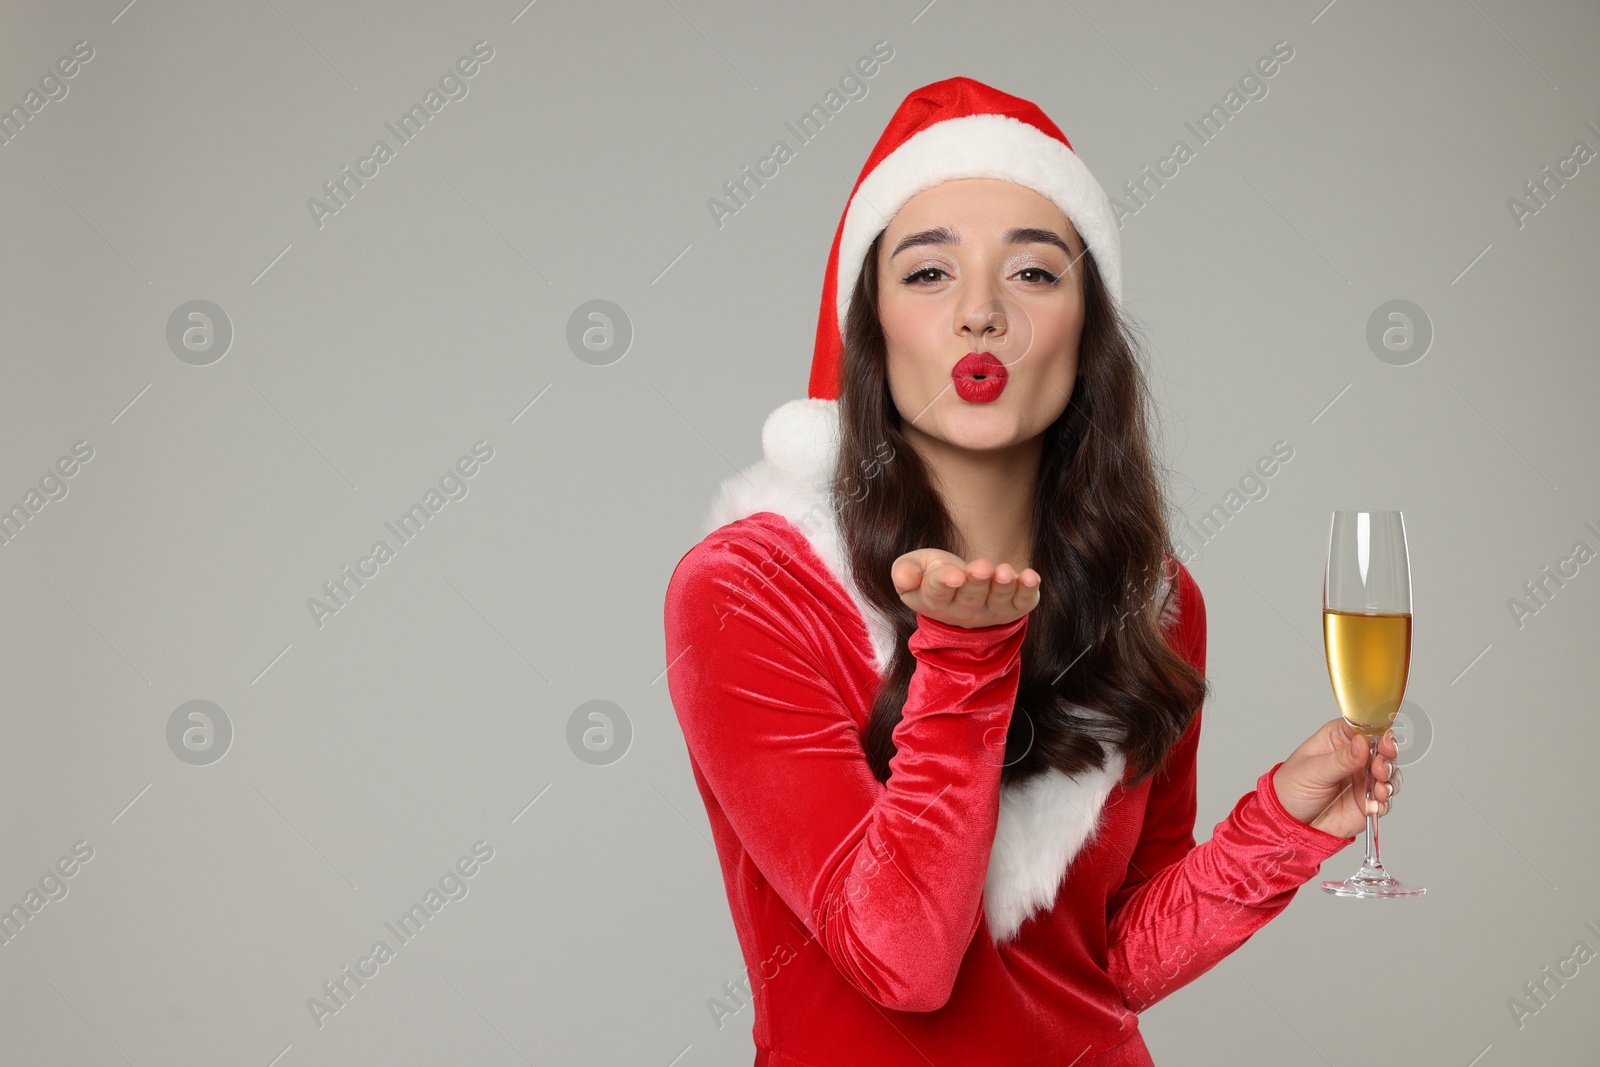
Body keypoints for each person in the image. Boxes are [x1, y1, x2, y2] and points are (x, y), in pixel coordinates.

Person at [662, 76, 1401, 1067]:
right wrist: (965, 658)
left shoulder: (1153, 599)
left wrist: (1278, 826)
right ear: (869, 329)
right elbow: (902, 961)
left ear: (1086, 330)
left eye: (1034, 274)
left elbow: (1100, 967)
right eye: (927, 274)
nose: (980, 313)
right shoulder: (750, 588)